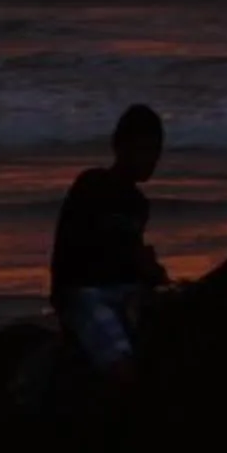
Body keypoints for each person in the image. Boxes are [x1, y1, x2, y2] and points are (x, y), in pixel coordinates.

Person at [50, 104, 170, 385]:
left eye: (156, 152)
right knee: (122, 366)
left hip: (122, 291)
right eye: (144, 150)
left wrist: (151, 273)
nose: (151, 160)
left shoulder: (138, 204)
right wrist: (135, 259)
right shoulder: (92, 184)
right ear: (120, 147)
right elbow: (80, 248)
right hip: (84, 290)